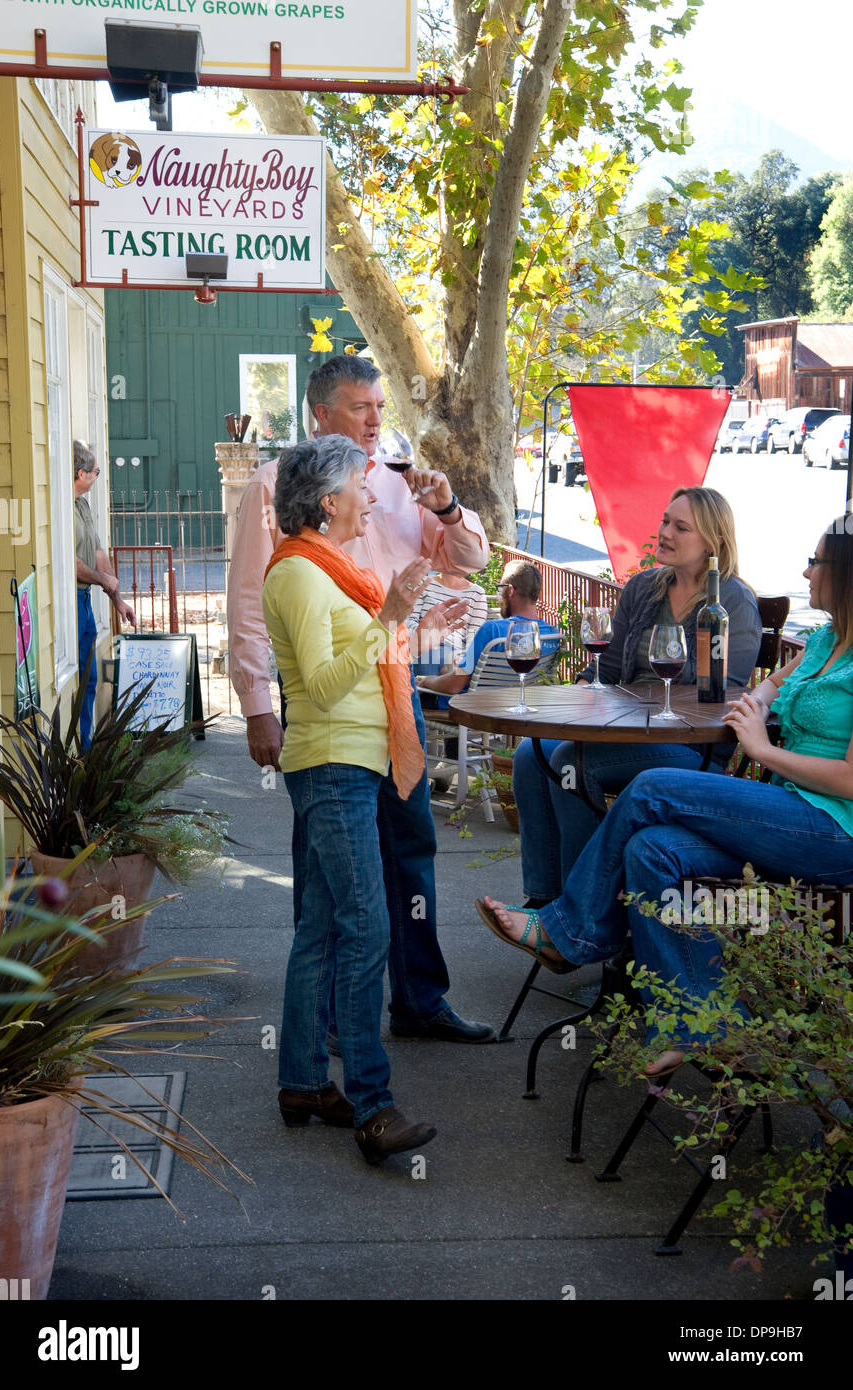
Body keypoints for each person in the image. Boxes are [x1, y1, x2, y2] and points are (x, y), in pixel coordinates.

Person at [478, 516, 853, 1077]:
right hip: (782, 809)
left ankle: (568, 929)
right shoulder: (825, 639)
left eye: (816, 561)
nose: (806, 570)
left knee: (650, 788)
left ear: (844, 574)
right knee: (650, 848)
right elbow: (772, 684)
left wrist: (763, 749)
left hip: (830, 830)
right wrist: (761, 699)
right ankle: (700, 1022)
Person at [226, 353, 494, 1042]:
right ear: (321, 414)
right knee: (327, 866)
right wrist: (256, 701)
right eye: (360, 407)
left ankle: (419, 1001)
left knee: (410, 847)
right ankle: (323, 1028)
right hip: (324, 690)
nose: (377, 420)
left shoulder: (406, 485)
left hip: (394, 676)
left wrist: (448, 508)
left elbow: (472, 561)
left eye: (380, 407)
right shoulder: (275, 485)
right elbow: (250, 602)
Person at [264, 435, 436, 1162]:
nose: (370, 497)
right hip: (331, 766)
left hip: (344, 766)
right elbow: (326, 684)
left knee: (322, 928)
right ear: (328, 502)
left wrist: (400, 619)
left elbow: (359, 664)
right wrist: (391, 615)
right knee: (367, 928)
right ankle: (372, 1103)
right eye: (361, 488)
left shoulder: (330, 571)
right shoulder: (299, 574)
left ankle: (303, 1083)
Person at [511, 487, 762, 906]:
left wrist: (639, 708)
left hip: (689, 745)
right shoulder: (645, 587)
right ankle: (544, 898)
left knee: (571, 762)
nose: (664, 532)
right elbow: (606, 669)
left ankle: (585, 910)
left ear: (713, 543)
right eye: (665, 521)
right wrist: (570, 701)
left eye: (680, 527)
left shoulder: (733, 602)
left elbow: (723, 693)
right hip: (623, 729)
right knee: (528, 756)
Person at [416, 559, 558, 708]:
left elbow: (454, 686)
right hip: (518, 706)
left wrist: (426, 681)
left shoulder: (492, 630)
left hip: (469, 708)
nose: (498, 598)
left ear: (510, 591)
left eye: (500, 589)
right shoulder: (552, 635)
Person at [73, 441, 135, 746]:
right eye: (96, 471)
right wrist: (102, 580)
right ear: (81, 473)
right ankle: (81, 750)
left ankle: (87, 749)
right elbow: (71, 564)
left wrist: (117, 598)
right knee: (82, 678)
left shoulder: (82, 503)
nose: (98, 476)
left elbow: (98, 553)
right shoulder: (62, 507)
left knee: (90, 678)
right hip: (70, 600)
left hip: (85, 601)